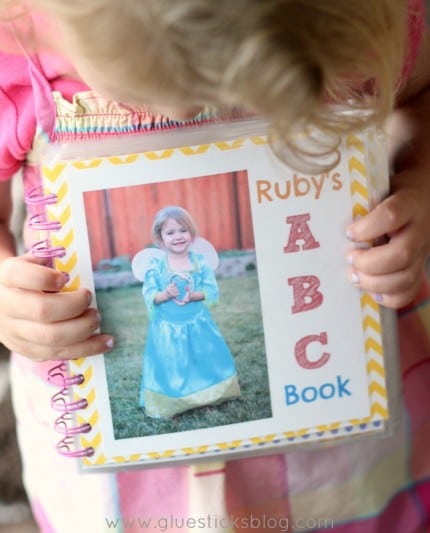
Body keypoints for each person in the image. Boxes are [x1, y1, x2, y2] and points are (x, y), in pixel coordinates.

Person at [0, 0, 428, 531]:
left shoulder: (365, 22)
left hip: (341, 443)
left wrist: (420, 189)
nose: (184, 118)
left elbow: (421, 97)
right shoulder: (19, 46)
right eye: (141, 93)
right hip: (128, 482)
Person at [136, 206, 240, 419]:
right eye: (170, 232)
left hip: (197, 323)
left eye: (182, 230)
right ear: (160, 238)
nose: (177, 237)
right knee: (172, 364)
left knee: (202, 360)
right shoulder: (157, 266)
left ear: (191, 233)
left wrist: (195, 295)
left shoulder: (199, 263)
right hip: (168, 327)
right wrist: (164, 294)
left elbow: (211, 290)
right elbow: (149, 293)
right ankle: (172, 401)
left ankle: (206, 396)